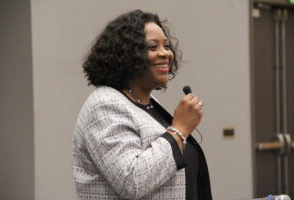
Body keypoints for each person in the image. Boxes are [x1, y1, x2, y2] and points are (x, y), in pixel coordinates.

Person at [72, 10, 212, 200]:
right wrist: (179, 130)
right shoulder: (104, 106)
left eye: (167, 46)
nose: (165, 53)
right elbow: (133, 181)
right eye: (153, 47)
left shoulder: (150, 103)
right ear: (125, 55)